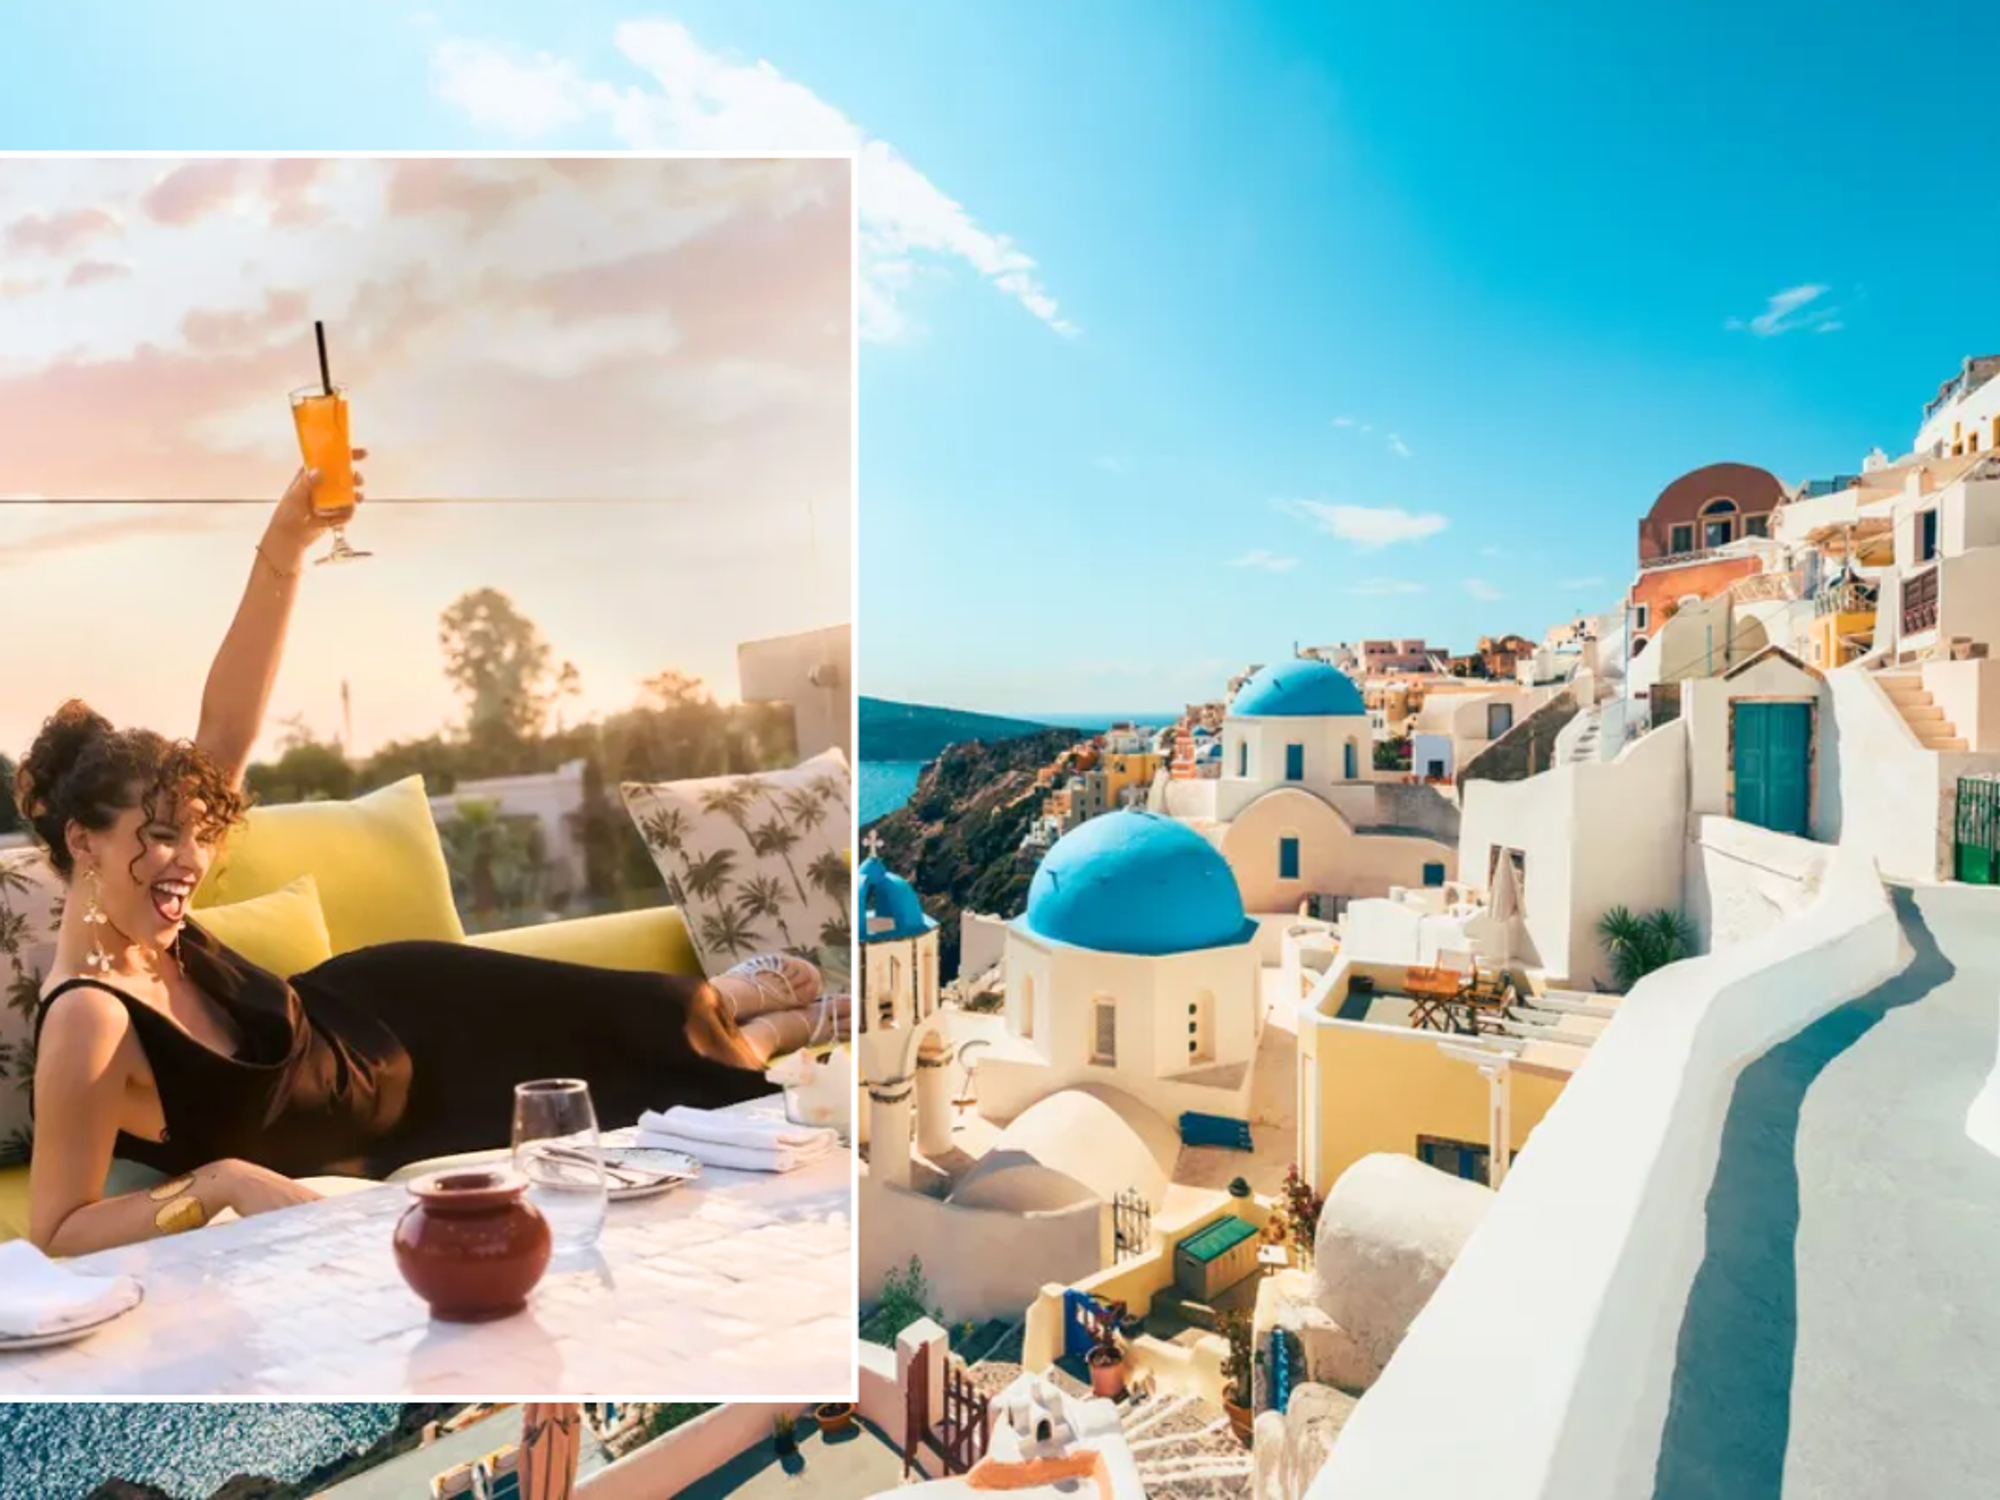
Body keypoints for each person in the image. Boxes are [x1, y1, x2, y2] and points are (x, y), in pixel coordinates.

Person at [17, 457, 831, 1256]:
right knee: (626, 1098)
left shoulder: (154, 911)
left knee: (653, 1012)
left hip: (393, 1008)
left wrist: (286, 545)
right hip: (407, 1121)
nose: (188, 859)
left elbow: (226, 729)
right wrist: (220, 1182)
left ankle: (729, 994)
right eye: (157, 836)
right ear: (82, 840)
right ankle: (763, 1028)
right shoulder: (89, 1015)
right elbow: (58, 1229)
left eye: (197, 830)